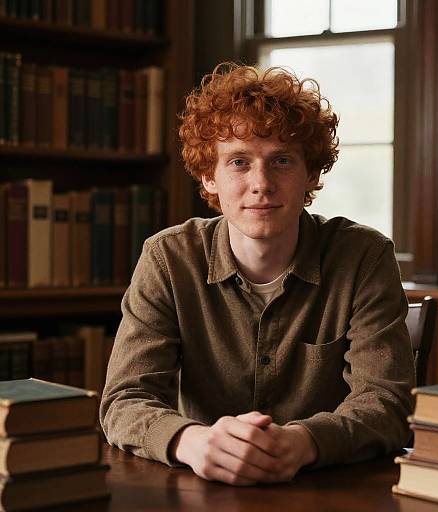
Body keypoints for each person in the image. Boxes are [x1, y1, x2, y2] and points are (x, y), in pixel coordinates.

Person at [100, 62, 415, 486]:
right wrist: (193, 442)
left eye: (281, 160)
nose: (261, 183)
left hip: (326, 490)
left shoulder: (364, 255)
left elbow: (387, 402)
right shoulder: (168, 258)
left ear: (312, 174)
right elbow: (124, 400)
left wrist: (302, 441)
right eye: (239, 162)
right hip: (199, 486)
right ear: (208, 176)